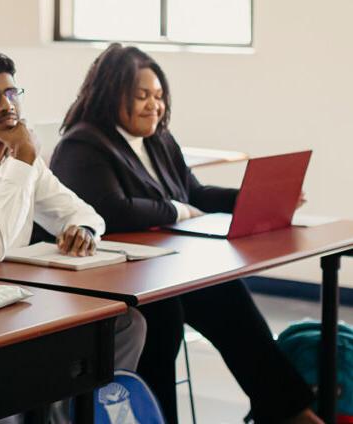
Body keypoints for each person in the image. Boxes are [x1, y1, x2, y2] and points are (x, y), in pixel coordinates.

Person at [49, 43, 319, 424]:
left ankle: (288, 410)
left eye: (158, 96)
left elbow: (193, 193)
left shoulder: (159, 139)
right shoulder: (83, 143)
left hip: (166, 269)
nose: (153, 106)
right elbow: (111, 210)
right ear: (111, 95)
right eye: (141, 96)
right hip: (118, 278)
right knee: (165, 318)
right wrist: (177, 210)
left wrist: (251, 198)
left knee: (229, 299)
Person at [0, 52, 145, 373]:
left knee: (127, 323)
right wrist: (22, 160)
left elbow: (85, 214)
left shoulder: (20, 157)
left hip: (17, 298)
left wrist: (83, 230)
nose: (7, 106)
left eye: (12, 93)